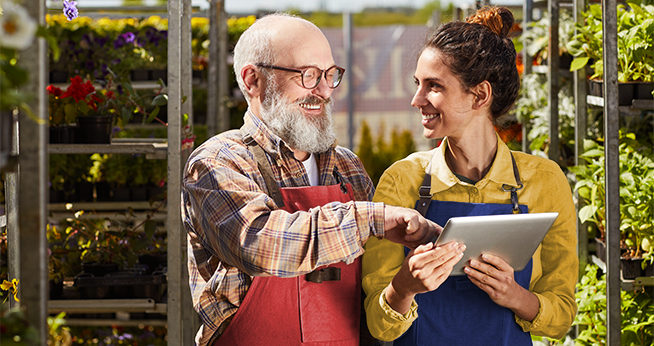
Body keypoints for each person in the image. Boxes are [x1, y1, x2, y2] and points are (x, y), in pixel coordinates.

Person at [181, 13, 439, 346]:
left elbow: (373, 281)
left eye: (330, 75)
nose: (323, 91)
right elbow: (262, 243)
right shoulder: (220, 162)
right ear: (252, 80)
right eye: (308, 75)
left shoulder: (347, 168)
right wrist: (372, 218)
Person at [361, 6, 578, 345]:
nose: (417, 99)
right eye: (417, 84)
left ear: (480, 95)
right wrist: (403, 288)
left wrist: (513, 295)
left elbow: (561, 316)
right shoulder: (402, 181)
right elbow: (378, 324)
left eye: (433, 86)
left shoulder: (544, 181)